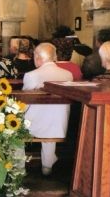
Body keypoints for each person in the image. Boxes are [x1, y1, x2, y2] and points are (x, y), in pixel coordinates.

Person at [23, 43, 73, 176]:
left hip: (35, 125)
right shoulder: (68, 75)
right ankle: (47, 165)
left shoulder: (31, 75)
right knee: (48, 118)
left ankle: (18, 167)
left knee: (12, 124)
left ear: (38, 57)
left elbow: (24, 102)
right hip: (59, 125)